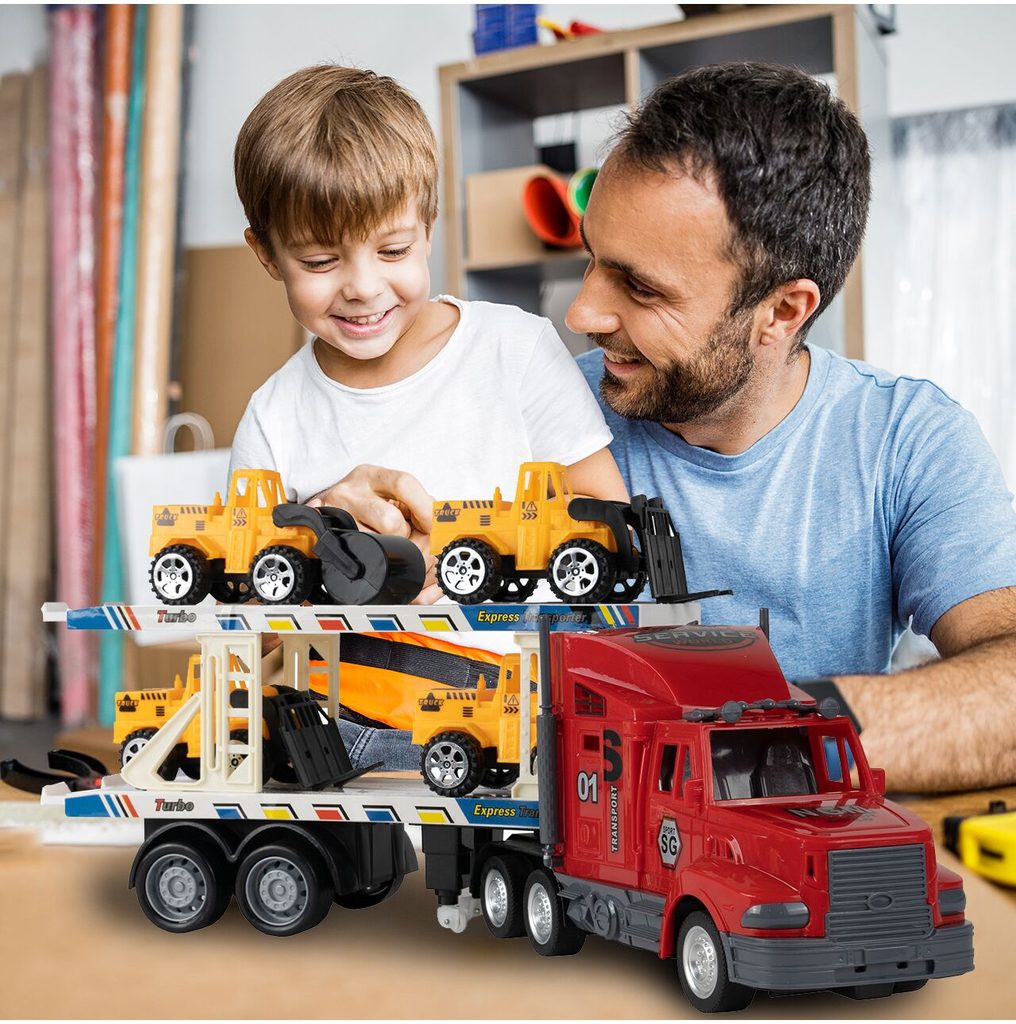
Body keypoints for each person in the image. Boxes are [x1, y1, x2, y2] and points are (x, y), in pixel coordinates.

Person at [566, 62, 1016, 793]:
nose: (581, 313)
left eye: (641, 288)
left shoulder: (908, 439)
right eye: (591, 258)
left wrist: (745, 740)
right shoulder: (538, 410)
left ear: (782, 312)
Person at [229, 65, 628, 604]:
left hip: (521, 660)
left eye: (393, 250)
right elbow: (248, 619)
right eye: (320, 261)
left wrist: (480, 560)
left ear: (429, 227)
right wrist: (322, 540)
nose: (364, 288)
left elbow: (610, 534)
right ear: (267, 255)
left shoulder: (516, 348)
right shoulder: (273, 418)